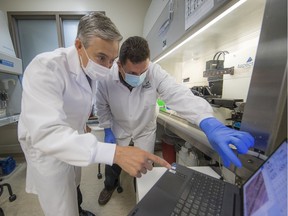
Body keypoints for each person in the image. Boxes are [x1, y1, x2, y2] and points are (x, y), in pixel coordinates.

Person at [17, 14, 171, 216]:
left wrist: (82, 125)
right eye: (101, 57)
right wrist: (114, 152)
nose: (108, 67)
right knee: (61, 207)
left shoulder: (92, 71)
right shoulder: (45, 67)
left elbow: (76, 103)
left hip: (75, 139)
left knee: (74, 185)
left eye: (112, 60)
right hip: (49, 151)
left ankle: (79, 210)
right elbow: (47, 133)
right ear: (79, 45)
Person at [95, 36, 255, 205]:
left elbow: (177, 94)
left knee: (144, 168)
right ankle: (109, 186)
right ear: (120, 65)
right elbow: (101, 104)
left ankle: (141, 195)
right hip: (118, 128)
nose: (139, 77)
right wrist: (107, 129)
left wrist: (208, 121)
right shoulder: (106, 77)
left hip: (144, 130)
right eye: (133, 73)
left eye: (143, 72)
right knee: (113, 162)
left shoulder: (155, 72)